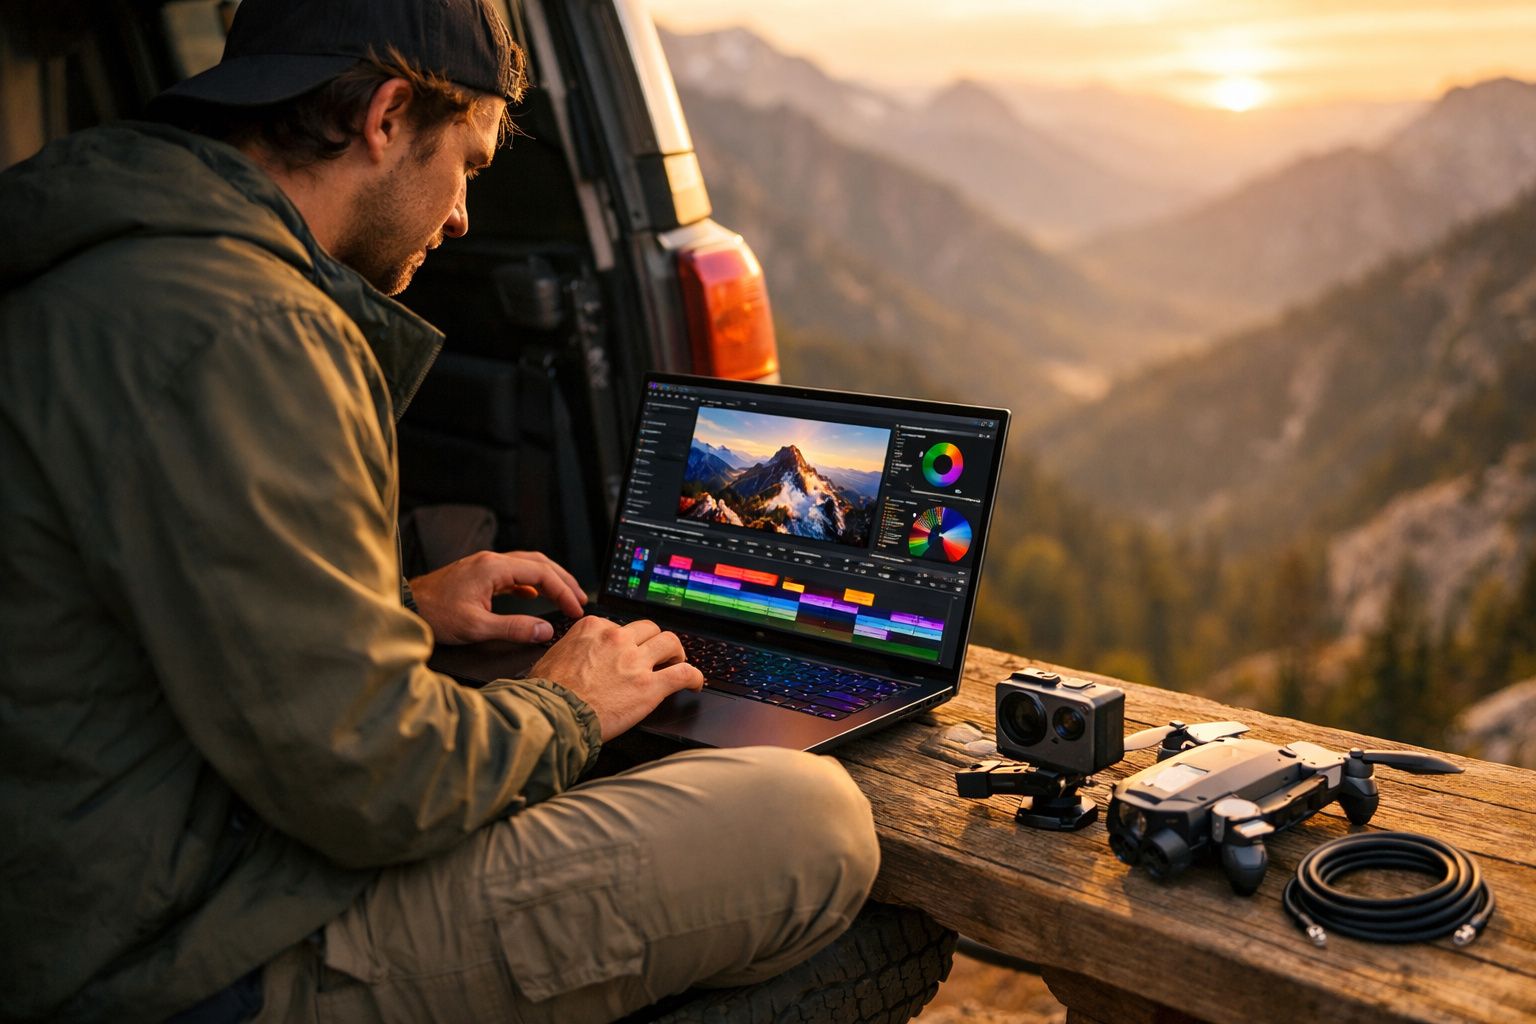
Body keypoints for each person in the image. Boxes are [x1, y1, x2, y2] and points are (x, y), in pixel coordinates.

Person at [0, 1, 880, 1021]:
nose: (462, 215)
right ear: (384, 116)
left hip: (80, 887)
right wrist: (567, 706)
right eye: (466, 163)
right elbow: (374, 783)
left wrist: (396, 606)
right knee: (810, 823)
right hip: (175, 954)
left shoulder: (102, 261)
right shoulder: (253, 327)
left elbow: (134, 604)